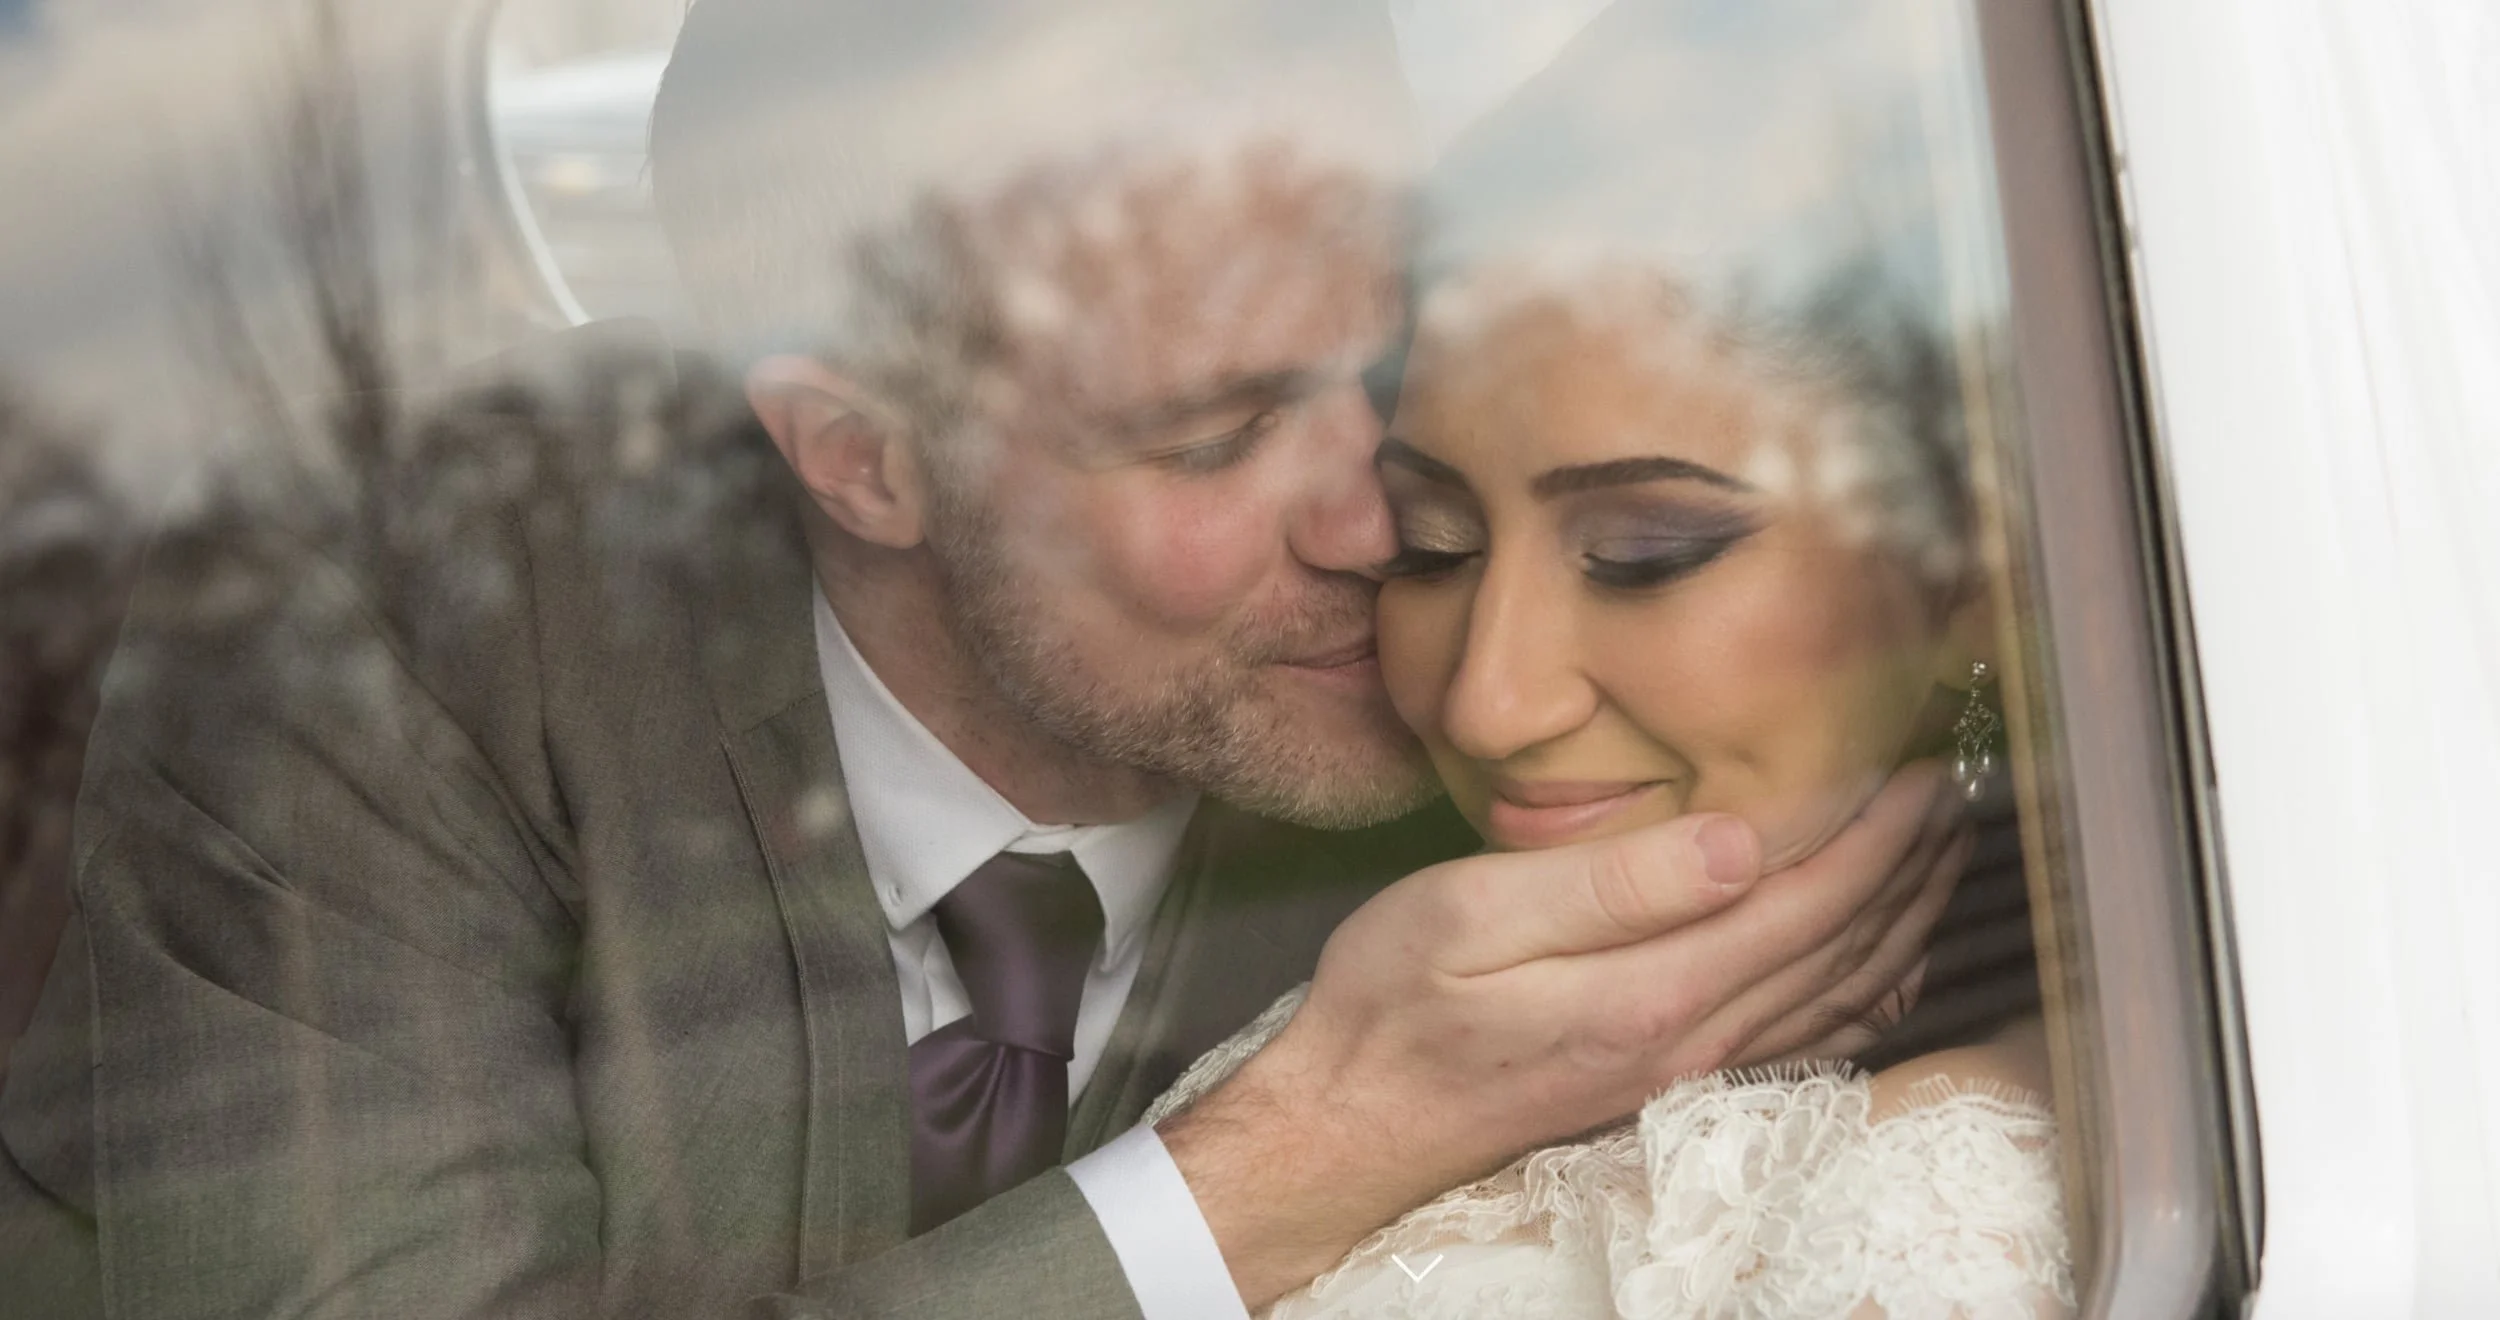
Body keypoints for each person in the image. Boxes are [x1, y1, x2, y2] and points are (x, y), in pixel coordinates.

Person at [0, 2, 1962, 1316]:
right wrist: (1296, 1149)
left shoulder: (1525, 689)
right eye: (1208, 436)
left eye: (1383, 368)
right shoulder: (372, 675)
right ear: (862, 456)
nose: (1386, 529)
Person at [1141, 239, 2071, 1313]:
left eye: (1644, 552)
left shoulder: (1942, 1201)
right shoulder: (1345, 965)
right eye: (1430, 547)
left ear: (1964, 574)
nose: (1485, 705)